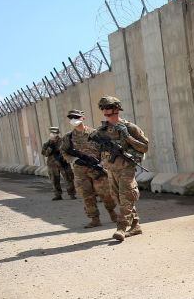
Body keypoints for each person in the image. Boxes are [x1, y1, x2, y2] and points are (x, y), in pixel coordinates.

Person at [89, 96, 149, 242]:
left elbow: (144, 147)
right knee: (119, 199)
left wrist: (127, 137)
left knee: (126, 196)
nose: (105, 110)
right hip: (110, 169)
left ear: (117, 108)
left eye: (108, 107)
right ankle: (135, 226)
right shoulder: (101, 131)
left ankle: (121, 228)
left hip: (126, 168)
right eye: (103, 108)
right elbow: (94, 149)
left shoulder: (129, 127)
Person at [60, 109, 119, 228]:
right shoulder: (68, 137)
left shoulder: (95, 133)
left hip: (97, 169)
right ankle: (94, 219)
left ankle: (112, 213)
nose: (74, 120)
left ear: (83, 118)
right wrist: (74, 159)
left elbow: (106, 148)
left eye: (76, 117)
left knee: (106, 193)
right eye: (71, 118)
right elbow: (64, 151)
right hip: (80, 171)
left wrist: (103, 161)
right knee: (86, 195)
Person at [40, 126, 75, 200]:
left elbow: (68, 150)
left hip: (63, 163)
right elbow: (45, 154)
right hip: (52, 165)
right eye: (52, 133)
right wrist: (50, 148)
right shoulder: (47, 144)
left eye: (55, 133)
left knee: (68, 179)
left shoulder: (63, 141)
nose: (53, 134)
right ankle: (57, 195)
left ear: (58, 133)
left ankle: (72, 194)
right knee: (54, 180)